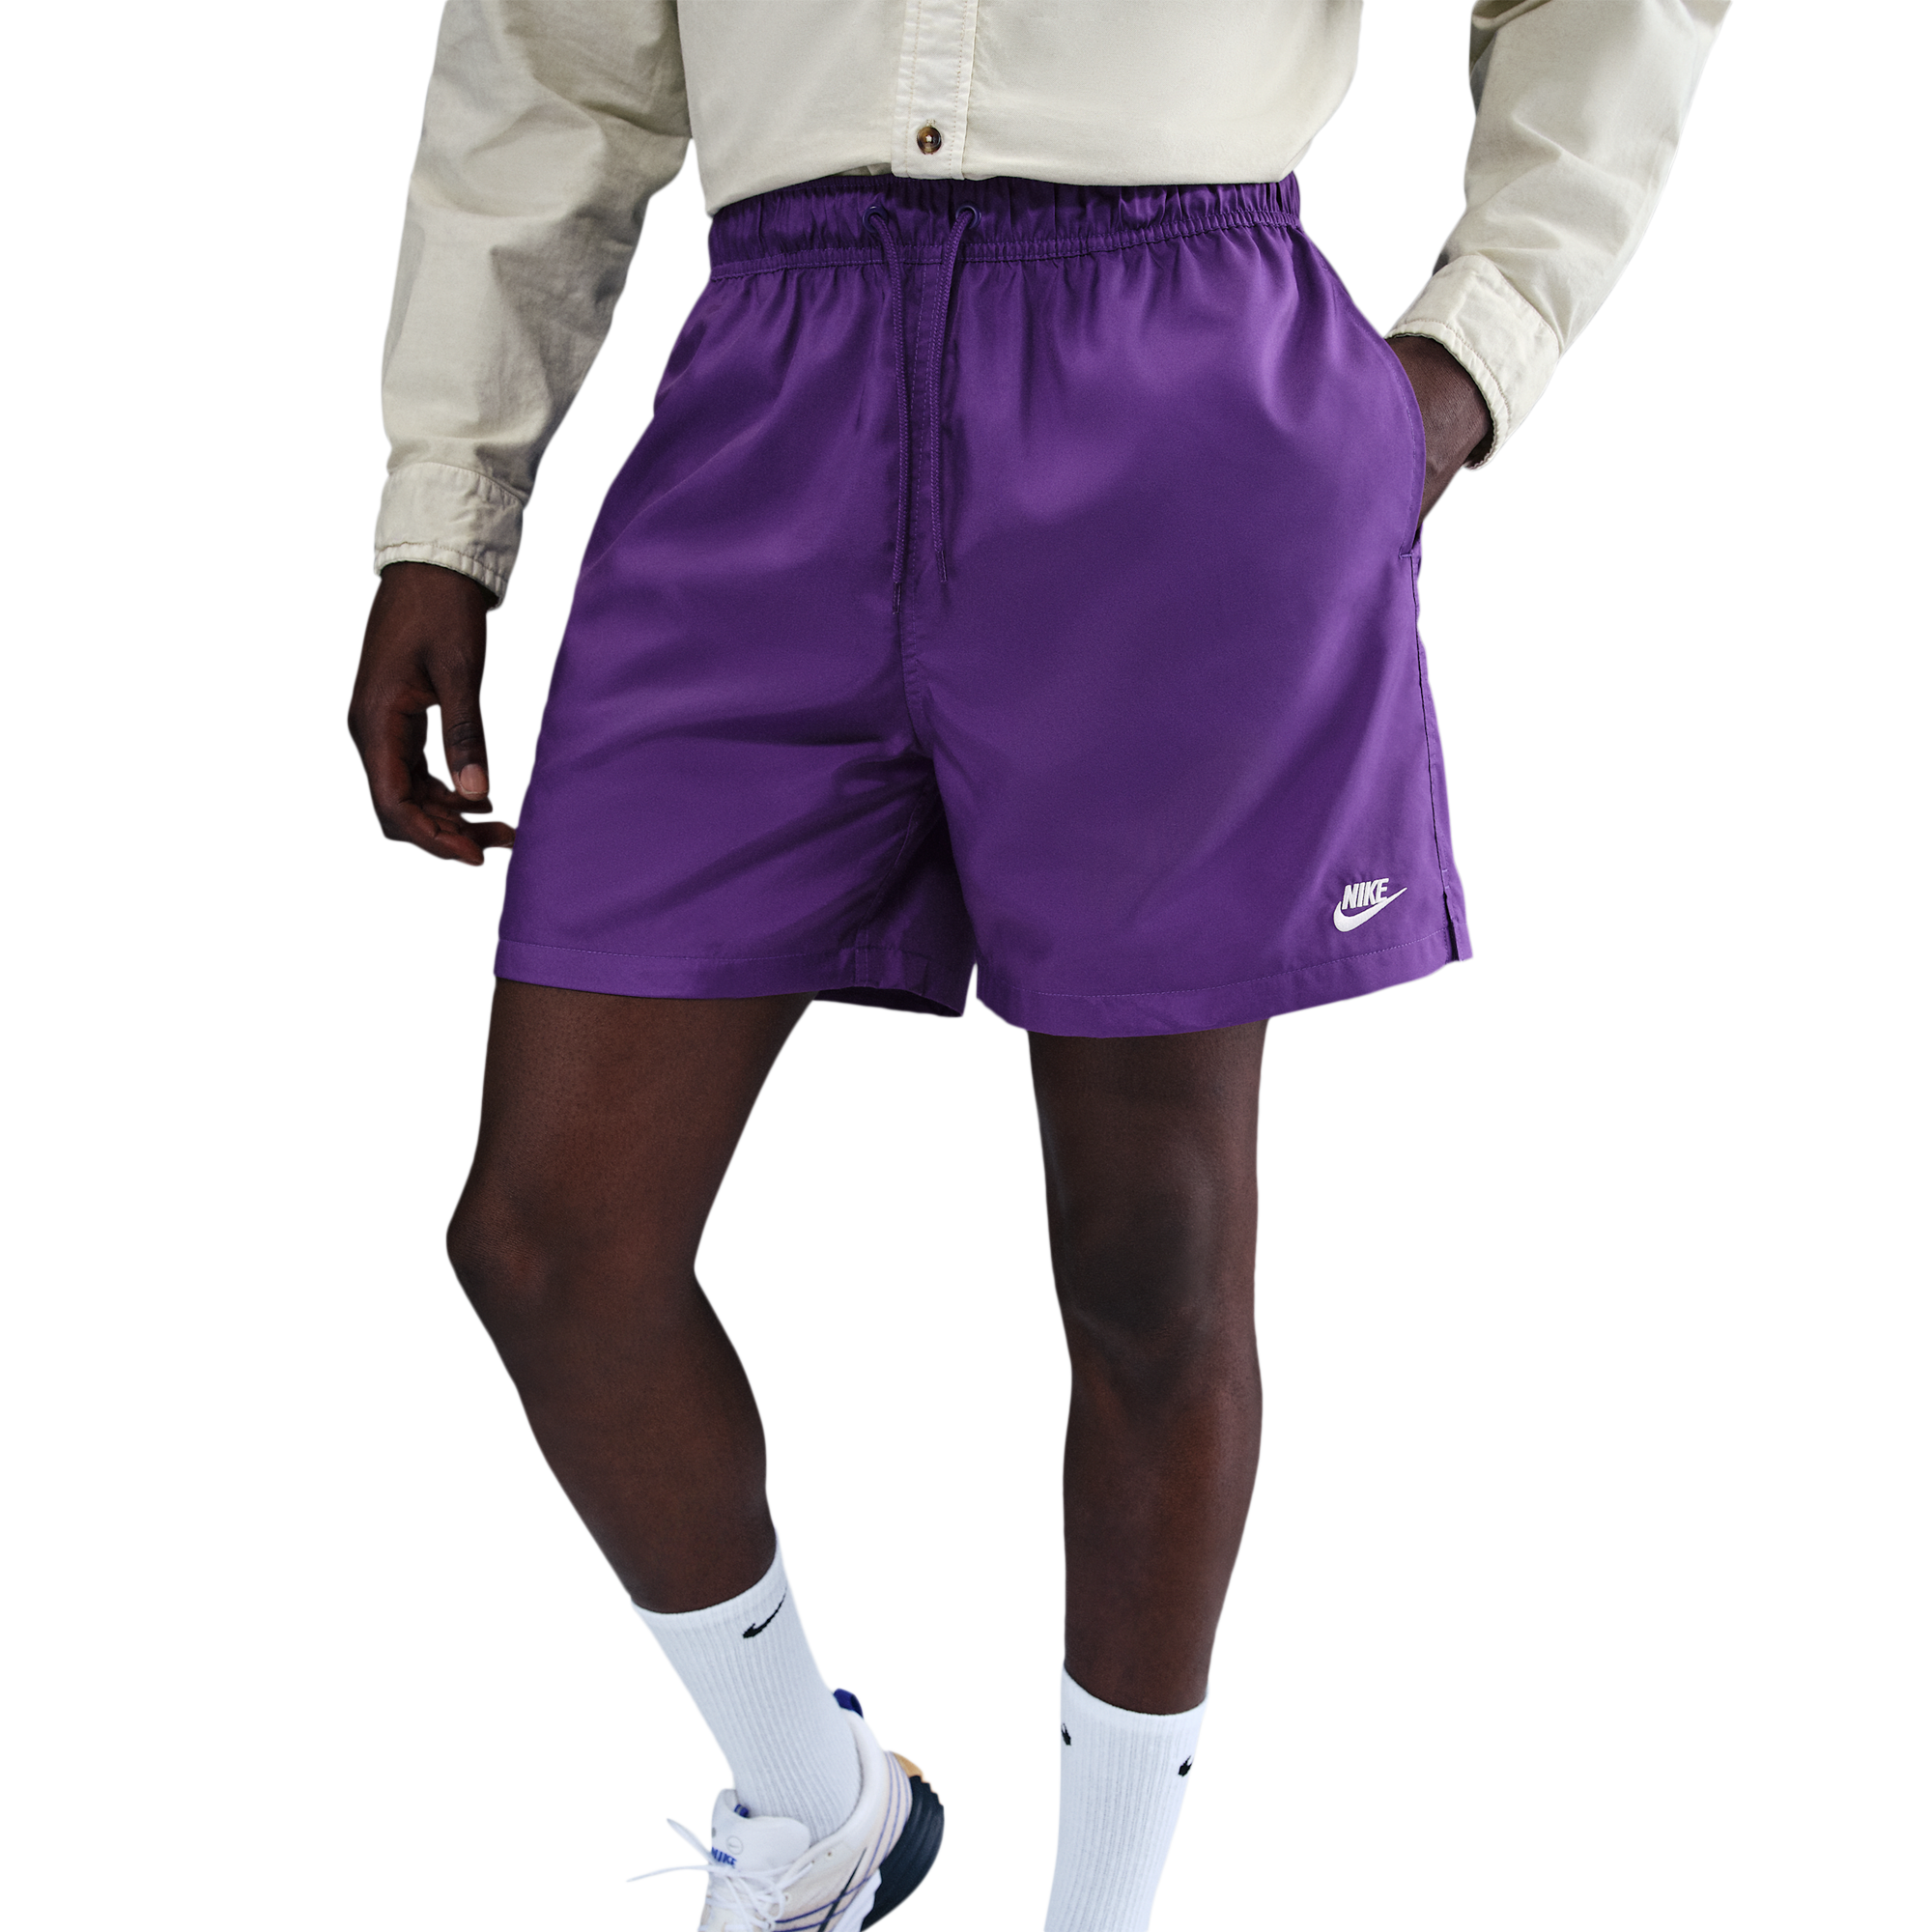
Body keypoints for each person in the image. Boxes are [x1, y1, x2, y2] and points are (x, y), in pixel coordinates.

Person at [347, 3, 1734, 1925]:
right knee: (545, 1240)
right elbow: (548, 57)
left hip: (1179, 373)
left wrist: (1475, 351)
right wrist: (447, 509)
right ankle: (818, 1801)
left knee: (1150, 1247)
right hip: (768, 384)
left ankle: (1104, 1913)